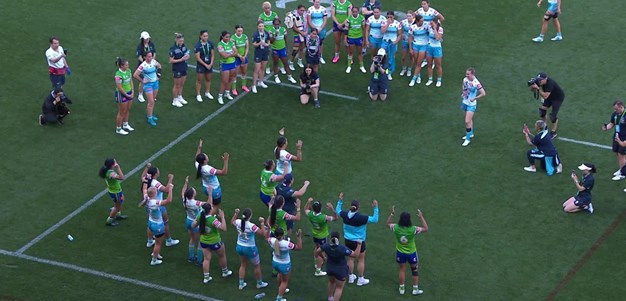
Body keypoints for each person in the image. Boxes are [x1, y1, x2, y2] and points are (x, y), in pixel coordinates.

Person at [335, 192, 379, 286]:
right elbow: (375, 219)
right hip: (359, 242)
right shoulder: (362, 218)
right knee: (361, 259)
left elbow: (338, 210)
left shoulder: (345, 215)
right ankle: (360, 279)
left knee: (350, 259)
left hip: (348, 240)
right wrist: (375, 208)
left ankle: (351, 277)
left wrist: (340, 201)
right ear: (358, 208)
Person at [386, 206, 429, 296]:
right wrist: (421, 217)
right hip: (411, 253)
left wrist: (392, 214)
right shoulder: (413, 229)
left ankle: (401, 288)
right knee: (414, 270)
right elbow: (425, 228)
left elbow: (388, 223)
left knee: (402, 270)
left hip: (400, 253)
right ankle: (415, 289)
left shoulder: (396, 228)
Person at [192, 202, 233, 283]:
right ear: (210, 210)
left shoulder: (200, 216)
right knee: (222, 256)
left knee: (206, 259)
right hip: (215, 242)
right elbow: (224, 228)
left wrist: (197, 219)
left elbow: (193, 225)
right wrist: (222, 217)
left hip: (204, 241)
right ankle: (225, 272)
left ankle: (206, 277)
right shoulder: (213, 220)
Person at [140, 164, 179, 248]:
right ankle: (169, 240)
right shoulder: (155, 183)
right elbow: (166, 189)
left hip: (148, 204)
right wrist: (170, 179)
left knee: (150, 221)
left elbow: (142, 176)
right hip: (158, 205)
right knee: (166, 222)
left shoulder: (146, 180)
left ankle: (150, 241)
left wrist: (146, 167)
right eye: (158, 171)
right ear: (156, 174)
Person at [230, 208, 269, 290]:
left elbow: (232, 222)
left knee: (243, 264)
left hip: (239, 246)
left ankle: (241, 284)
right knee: (256, 266)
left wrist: (236, 213)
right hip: (250, 248)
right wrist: (262, 223)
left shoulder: (238, 222)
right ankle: (259, 283)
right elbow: (263, 234)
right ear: (250, 216)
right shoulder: (251, 226)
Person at [316, 231, 362, 301]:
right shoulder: (342, 248)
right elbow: (355, 255)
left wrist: (323, 257)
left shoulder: (326, 245)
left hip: (330, 268)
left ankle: (330, 298)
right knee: (339, 288)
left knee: (331, 282)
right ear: (339, 238)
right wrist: (359, 245)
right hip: (340, 270)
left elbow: (317, 251)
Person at [266, 227, 303, 301]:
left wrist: (268, 230)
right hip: (284, 264)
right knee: (285, 281)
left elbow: (266, 237)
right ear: (282, 235)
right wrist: (299, 237)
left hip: (275, 262)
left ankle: (281, 289)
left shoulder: (272, 240)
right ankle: (279, 298)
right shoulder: (286, 244)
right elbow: (299, 247)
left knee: (280, 274)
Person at [182, 176, 210, 266]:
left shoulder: (185, 200)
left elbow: (183, 192)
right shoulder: (196, 203)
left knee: (192, 239)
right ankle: (199, 260)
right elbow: (207, 204)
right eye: (194, 190)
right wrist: (210, 193)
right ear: (193, 194)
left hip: (188, 221)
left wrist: (186, 183)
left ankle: (191, 257)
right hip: (196, 223)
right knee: (201, 241)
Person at [305, 198, 337, 277]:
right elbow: (335, 218)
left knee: (316, 247)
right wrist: (332, 209)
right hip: (322, 237)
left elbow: (305, 209)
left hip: (315, 235)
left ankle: (316, 263)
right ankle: (318, 270)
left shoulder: (310, 214)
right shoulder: (323, 217)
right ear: (321, 208)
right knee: (320, 252)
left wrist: (308, 202)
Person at [195, 139, 229, 209]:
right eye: (205, 156)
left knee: (210, 202)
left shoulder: (197, 164)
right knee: (215, 206)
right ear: (204, 161)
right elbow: (224, 172)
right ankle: (207, 217)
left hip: (206, 187)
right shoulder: (209, 170)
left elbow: (197, 157)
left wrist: (199, 147)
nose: (207, 155)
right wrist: (226, 161)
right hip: (214, 189)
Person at [144, 184, 174, 266]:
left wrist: (145, 183)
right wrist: (170, 189)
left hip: (150, 222)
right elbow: (168, 201)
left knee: (157, 242)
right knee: (158, 243)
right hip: (158, 225)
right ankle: (154, 260)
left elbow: (144, 190)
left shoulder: (146, 199)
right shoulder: (155, 202)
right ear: (154, 194)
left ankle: (156, 253)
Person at [529, 72, 565, 138]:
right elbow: (531, 90)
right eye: (539, 79)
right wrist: (532, 86)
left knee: (553, 116)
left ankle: (553, 132)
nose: (539, 81)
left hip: (557, 98)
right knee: (542, 112)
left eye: (541, 79)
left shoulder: (550, 83)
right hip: (549, 97)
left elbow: (545, 96)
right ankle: (544, 127)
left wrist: (538, 88)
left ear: (546, 79)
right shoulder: (539, 82)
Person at [133, 51, 161, 126]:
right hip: (148, 85)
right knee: (151, 101)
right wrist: (143, 80)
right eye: (148, 56)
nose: (150, 58)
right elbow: (135, 75)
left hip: (155, 83)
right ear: (144, 57)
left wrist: (158, 75)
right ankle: (149, 117)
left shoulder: (153, 61)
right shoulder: (143, 65)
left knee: (154, 98)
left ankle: (150, 114)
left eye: (151, 56)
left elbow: (159, 66)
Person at [460, 67, 486, 147]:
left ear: (472, 74)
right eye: (466, 74)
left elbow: (483, 93)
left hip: (471, 104)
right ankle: (471, 133)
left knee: (467, 121)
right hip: (465, 102)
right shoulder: (465, 79)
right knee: (469, 119)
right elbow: (464, 86)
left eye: (468, 74)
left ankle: (467, 139)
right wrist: (464, 93)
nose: (466, 75)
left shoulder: (476, 83)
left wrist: (475, 98)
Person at [98, 158, 127, 227]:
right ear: (112, 165)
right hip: (116, 191)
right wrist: (118, 167)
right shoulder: (111, 173)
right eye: (115, 162)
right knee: (117, 206)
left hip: (113, 190)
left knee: (120, 201)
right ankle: (109, 221)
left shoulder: (107, 170)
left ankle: (118, 214)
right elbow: (122, 177)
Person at [416, 0, 444, 69]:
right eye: (422, 4)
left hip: (431, 30)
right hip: (424, 30)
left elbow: (442, 18)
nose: (423, 5)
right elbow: (414, 16)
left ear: (428, 4)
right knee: (426, 44)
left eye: (424, 4)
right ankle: (426, 59)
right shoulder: (420, 10)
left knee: (433, 43)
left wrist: (437, 25)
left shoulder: (432, 11)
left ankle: (433, 61)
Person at [602, 101, 626, 179]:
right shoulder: (615, 114)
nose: (615, 111)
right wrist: (606, 128)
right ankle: (621, 168)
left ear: (621, 107)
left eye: (616, 109)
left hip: (624, 138)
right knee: (617, 153)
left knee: (621, 155)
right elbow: (612, 123)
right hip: (616, 137)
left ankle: (623, 174)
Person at [270, 19, 297, 84]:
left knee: (286, 63)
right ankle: (276, 76)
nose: (277, 25)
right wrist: (275, 35)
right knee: (275, 63)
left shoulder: (283, 29)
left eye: (278, 24)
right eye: (275, 24)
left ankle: (289, 76)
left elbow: (285, 38)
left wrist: (287, 48)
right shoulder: (271, 31)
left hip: (282, 49)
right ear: (273, 24)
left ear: (280, 24)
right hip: (275, 49)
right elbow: (271, 41)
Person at [217, 31, 241, 105]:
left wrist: (229, 54)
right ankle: (220, 96)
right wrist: (232, 53)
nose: (228, 38)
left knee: (231, 78)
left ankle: (227, 93)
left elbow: (236, 52)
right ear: (223, 37)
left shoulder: (231, 42)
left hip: (232, 63)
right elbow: (224, 56)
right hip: (225, 64)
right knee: (224, 81)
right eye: (226, 37)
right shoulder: (220, 45)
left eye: (229, 37)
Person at [258, 1, 282, 75]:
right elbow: (259, 26)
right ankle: (267, 67)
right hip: (266, 37)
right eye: (266, 8)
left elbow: (277, 24)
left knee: (278, 50)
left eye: (268, 8)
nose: (267, 9)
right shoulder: (261, 16)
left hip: (274, 35)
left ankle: (281, 66)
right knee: (267, 52)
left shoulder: (274, 15)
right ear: (263, 8)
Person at [114, 57, 134, 135]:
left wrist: (132, 91)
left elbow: (131, 81)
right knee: (121, 111)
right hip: (121, 94)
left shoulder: (128, 71)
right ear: (121, 66)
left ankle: (125, 124)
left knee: (128, 109)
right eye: (126, 65)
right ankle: (118, 128)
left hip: (129, 92)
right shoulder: (118, 75)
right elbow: (119, 87)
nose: (128, 66)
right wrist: (126, 95)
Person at [169, 33, 190, 108]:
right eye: (180, 41)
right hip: (177, 68)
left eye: (182, 41)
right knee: (177, 85)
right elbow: (171, 60)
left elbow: (187, 54)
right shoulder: (173, 49)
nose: (181, 42)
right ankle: (174, 100)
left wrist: (187, 57)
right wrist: (181, 59)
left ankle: (179, 96)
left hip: (184, 67)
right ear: (176, 40)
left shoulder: (184, 47)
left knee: (181, 84)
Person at [408, 15, 429, 87]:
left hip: (424, 45)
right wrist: (410, 48)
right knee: (416, 62)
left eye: (423, 21)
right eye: (421, 21)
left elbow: (433, 28)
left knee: (419, 62)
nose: (423, 22)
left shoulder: (426, 26)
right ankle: (418, 75)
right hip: (415, 45)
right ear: (417, 21)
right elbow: (410, 38)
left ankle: (413, 79)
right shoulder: (412, 28)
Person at [194, 30, 215, 102]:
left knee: (208, 79)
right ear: (200, 36)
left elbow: (212, 54)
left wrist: (211, 63)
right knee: (199, 80)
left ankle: (207, 92)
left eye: (206, 36)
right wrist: (206, 65)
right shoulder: (198, 46)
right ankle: (198, 94)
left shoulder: (210, 43)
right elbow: (198, 58)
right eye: (204, 36)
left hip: (209, 64)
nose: (206, 37)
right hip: (201, 65)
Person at [380, 11, 402, 80]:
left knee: (391, 57)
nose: (389, 18)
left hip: (393, 43)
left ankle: (389, 72)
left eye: (391, 17)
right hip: (385, 42)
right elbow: (382, 31)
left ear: (394, 17)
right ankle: (381, 70)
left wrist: (396, 41)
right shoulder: (384, 22)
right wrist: (388, 24)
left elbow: (400, 34)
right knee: (382, 56)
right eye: (388, 17)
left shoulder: (397, 24)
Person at [135, 31, 156, 103]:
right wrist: (145, 62)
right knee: (143, 80)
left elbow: (154, 53)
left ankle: (151, 94)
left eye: (148, 38)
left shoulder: (151, 44)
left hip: (151, 65)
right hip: (143, 65)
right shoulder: (140, 46)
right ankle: (140, 95)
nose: (147, 39)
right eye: (146, 38)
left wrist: (152, 61)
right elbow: (139, 56)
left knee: (152, 79)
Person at [344, 6, 366, 74]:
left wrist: (364, 39)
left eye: (356, 12)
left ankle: (361, 66)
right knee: (350, 52)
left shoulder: (361, 18)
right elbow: (346, 29)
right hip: (351, 37)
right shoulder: (349, 19)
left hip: (359, 37)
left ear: (358, 11)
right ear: (352, 12)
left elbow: (364, 29)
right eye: (353, 12)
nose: (355, 13)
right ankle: (349, 66)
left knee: (360, 52)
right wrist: (345, 39)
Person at [285, 5, 307, 70]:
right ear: (297, 9)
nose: (302, 12)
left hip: (303, 33)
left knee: (302, 48)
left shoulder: (304, 16)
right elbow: (293, 27)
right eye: (301, 10)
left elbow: (306, 23)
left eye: (303, 10)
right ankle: (291, 62)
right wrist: (301, 33)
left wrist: (305, 32)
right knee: (295, 49)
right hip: (297, 34)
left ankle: (299, 61)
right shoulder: (293, 16)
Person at [252, 21, 272, 94]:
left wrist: (267, 44)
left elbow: (269, 41)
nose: (261, 27)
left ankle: (261, 81)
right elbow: (254, 45)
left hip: (265, 52)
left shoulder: (266, 33)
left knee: (263, 68)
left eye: (262, 26)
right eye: (260, 26)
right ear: (257, 27)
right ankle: (254, 85)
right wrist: (259, 43)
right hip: (258, 53)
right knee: (257, 69)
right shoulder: (255, 34)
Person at [307, 0, 329, 65]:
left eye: (318, 2)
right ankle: (311, 55)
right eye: (316, 2)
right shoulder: (310, 9)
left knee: (321, 43)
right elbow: (309, 20)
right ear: (313, 2)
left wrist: (321, 28)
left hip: (321, 29)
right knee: (311, 42)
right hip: (313, 28)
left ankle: (320, 56)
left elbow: (325, 20)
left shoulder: (323, 9)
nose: (317, 3)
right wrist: (315, 29)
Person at [232, 25, 250, 95]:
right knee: (234, 74)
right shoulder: (233, 38)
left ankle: (244, 86)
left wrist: (244, 56)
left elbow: (247, 47)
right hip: (236, 58)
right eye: (239, 31)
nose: (240, 32)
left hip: (244, 57)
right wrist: (240, 57)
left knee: (244, 72)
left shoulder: (244, 37)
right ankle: (233, 89)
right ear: (235, 30)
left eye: (241, 31)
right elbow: (234, 50)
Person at [424, 20, 443, 87]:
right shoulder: (429, 27)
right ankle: (430, 79)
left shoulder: (440, 29)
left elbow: (438, 38)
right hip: (429, 47)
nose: (430, 24)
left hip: (437, 48)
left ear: (435, 23)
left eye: (432, 23)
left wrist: (434, 29)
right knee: (429, 64)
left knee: (438, 65)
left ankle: (439, 80)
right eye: (430, 23)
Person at [399, 11, 415, 77]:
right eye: (407, 16)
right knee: (403, 57)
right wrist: (401, 34)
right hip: (405, 41)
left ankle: (409, 69)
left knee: (411, 56)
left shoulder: (415, 23)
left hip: (413, 42)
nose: (408, 17)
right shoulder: (404, 22)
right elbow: (397, 26)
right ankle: (404, 68)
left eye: (410, 16)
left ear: (413, 16)